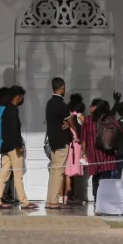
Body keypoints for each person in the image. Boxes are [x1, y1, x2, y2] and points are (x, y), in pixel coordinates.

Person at [0, 85, 34, 209]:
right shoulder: (13, 110)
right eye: (22, 97)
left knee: (3, 175)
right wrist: (19, 145)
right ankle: (24, 202)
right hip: (14, 148)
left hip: (5, 146)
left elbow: (4, 130)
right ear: (18, 97)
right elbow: (15, 130)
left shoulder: (4, 110)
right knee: (18, 175)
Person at [44, 77, 71, 208]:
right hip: (61, 142)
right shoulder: (62, 105)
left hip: (53, 142)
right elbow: (73, 124)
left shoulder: (49, 103)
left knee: (54, 171)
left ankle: (49, 200)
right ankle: (54, 200)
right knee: (59, 171)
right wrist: (70, 124)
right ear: (62, 88)